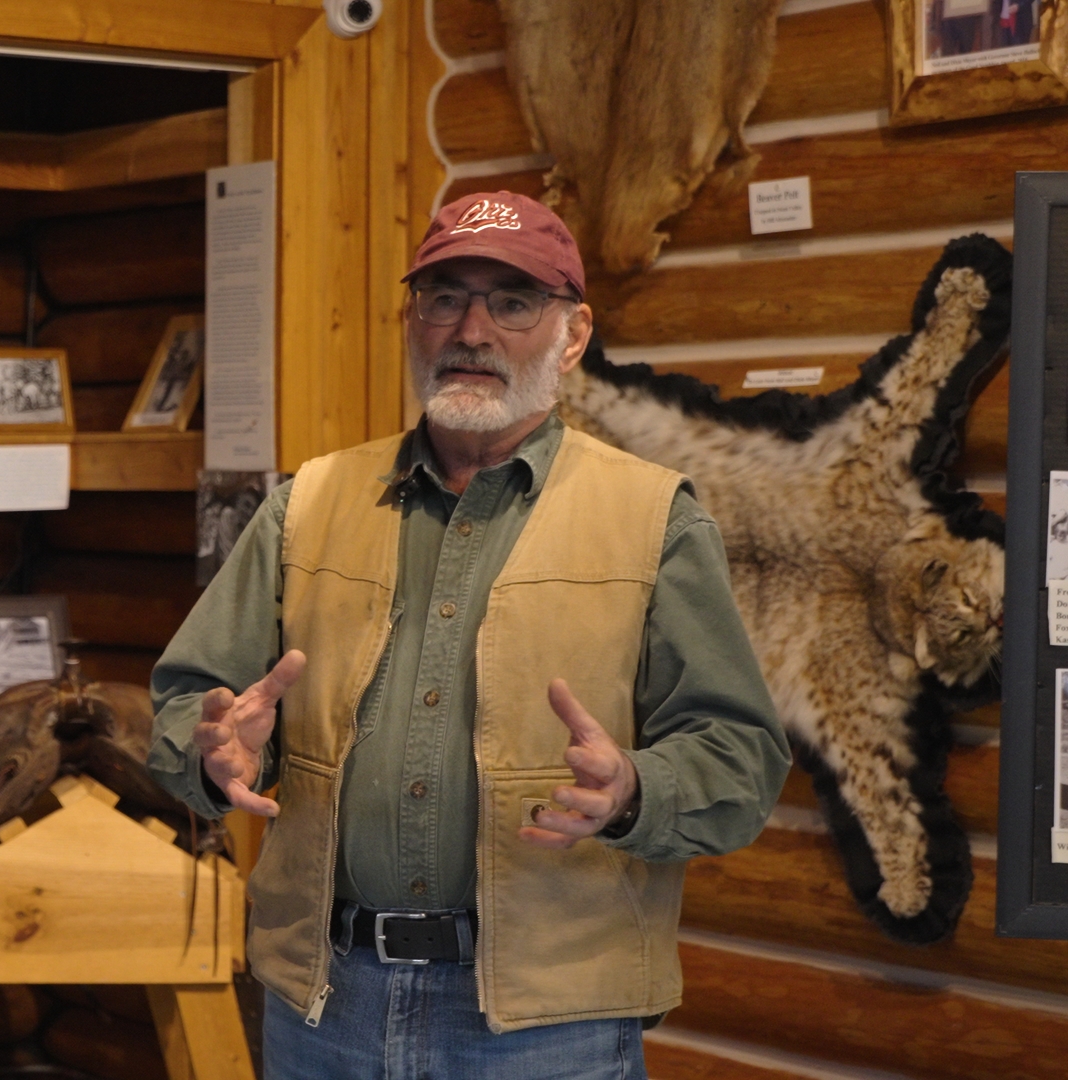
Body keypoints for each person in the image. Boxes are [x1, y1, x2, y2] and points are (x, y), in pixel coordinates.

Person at [148, 191, 789, 1079]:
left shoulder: (653, 518)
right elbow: (188, 703)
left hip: (546, 1028)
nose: (472, 330)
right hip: (325, 1004)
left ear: (572, 334)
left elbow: (741, 754)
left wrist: (637, 790)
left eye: (513, 302)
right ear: (413, 321)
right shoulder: (307, 505)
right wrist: (212, 752)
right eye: (444, 297)